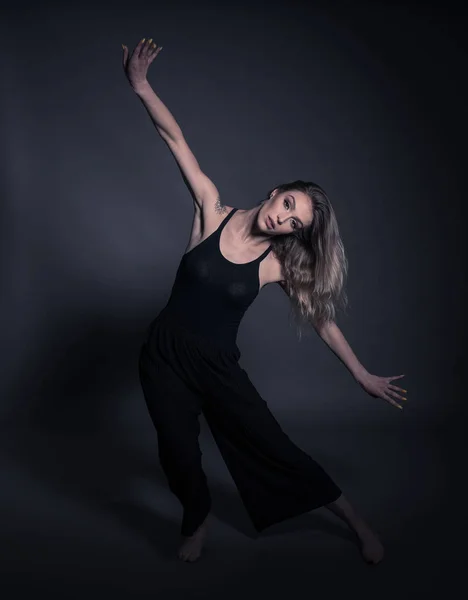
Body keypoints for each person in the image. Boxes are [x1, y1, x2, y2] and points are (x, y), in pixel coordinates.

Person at [122, 38, 408, 564]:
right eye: (290, 205)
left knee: (272, 445)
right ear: (278, 190)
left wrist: (361, 374)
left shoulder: (275, 265)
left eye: (295, 223)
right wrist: (142, 87)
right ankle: (197, 518)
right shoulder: (211, 210)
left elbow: (322, 322)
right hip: (163, 354)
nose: (284, 218)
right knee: (178, 454)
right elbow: (176, 139)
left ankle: (353, 517)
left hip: (217, 367)